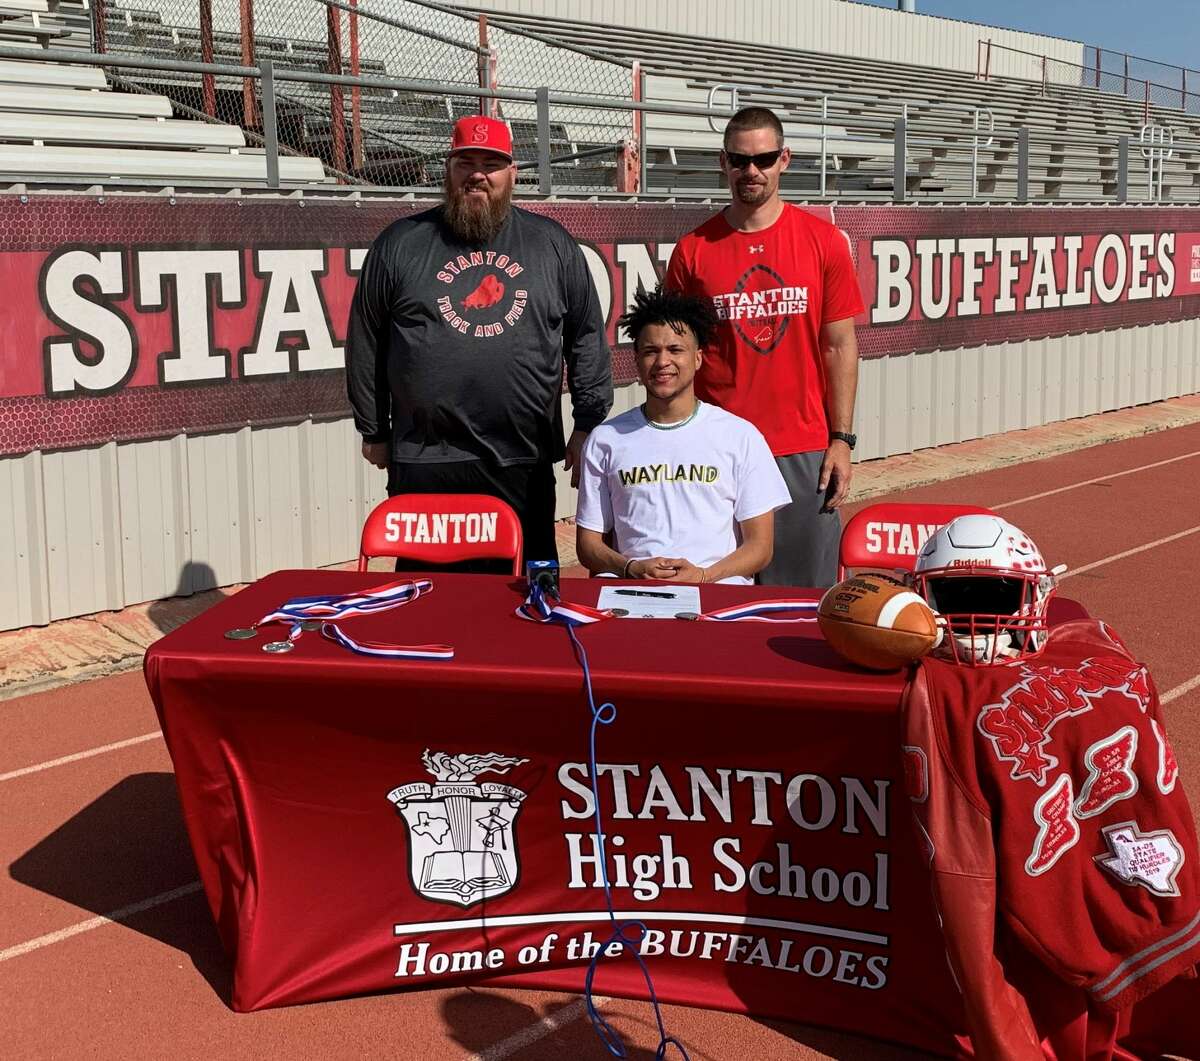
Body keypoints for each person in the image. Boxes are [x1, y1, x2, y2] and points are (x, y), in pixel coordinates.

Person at [346, 115, 613, 568]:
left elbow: (586, 334)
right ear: (447, 170)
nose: (477, 174)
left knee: (525, 598)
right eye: (465, 162)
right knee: (428, 596)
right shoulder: (401, 243)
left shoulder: (550, 244)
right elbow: (366, 339)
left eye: (491, 164)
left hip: (521, 459)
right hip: (426, 458)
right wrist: (374, 428)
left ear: (512, 174)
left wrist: (587, 420)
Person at [665, 105, 865, 588]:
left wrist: (842, 440)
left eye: (764, 158)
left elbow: (839, 345)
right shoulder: (693, 250)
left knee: (802, 602)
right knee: (714, 597)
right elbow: (671, 351)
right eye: (739, 160)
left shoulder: (823, 242)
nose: (750, 171)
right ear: (723, 163)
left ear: (785, 159)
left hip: (800, 449)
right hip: (715, 447)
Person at [575, 285, 790, 585]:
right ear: (636, 361)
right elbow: (588, 546)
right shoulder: (605, 439)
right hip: (635, 593)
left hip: (717, 594)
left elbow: (760, 548)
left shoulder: (741, 437)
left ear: (698, 358)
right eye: (651, 351)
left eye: (676, 350)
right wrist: (632, 568)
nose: (663, 362)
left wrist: (703, 576)